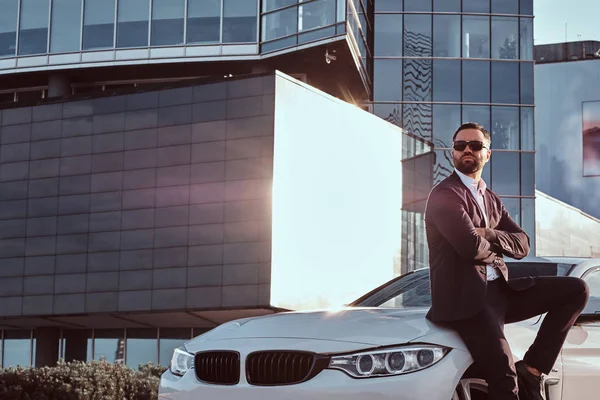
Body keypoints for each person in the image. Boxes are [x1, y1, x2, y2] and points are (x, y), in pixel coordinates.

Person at [424, 122, 589, 400]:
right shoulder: (444, 195)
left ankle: (533, 370)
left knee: (576, 290)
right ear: (452, 152)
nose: (467, 150)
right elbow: (469, 248)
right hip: (468, 302)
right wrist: (495, 245)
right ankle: (518, 377)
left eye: (475, 145)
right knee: (503, 374)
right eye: (459, 145)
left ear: (487, 154)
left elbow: (523, 243)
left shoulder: (490, 198)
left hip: (502, 291)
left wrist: (487, 233)